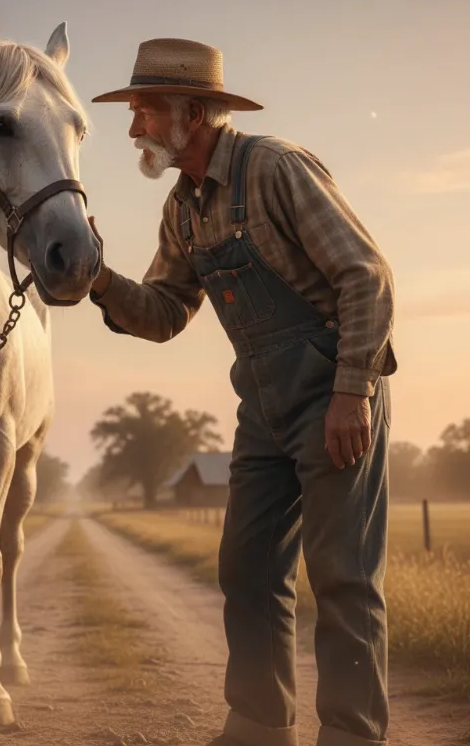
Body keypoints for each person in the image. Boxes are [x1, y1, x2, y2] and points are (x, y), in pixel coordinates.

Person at [87, 38, 396, 746]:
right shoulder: (184, 209)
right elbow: (166, 313)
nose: (132, 127)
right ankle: (259, 723)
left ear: (191, 113)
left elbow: (365, 277)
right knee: (248, 565)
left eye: (142, 111)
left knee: (343, 574)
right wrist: (100, 280)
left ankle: (352, 733)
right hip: (262, 405)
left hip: (333, 390)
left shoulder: (275, 169)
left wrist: (352, 394)